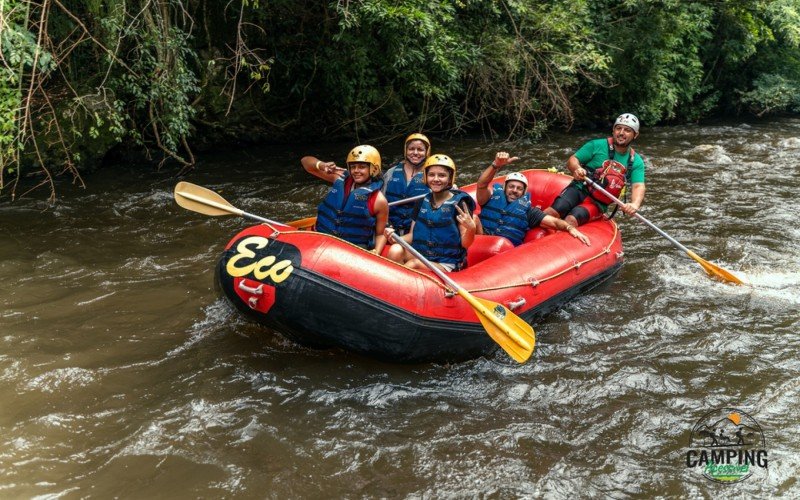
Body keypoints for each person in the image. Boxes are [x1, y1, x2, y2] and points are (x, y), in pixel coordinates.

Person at [544, 113, 647, 227]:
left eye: (627, 130)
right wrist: (577, 168)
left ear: (635, 135)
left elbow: (638, 186)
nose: (621, 133)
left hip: (598, 203)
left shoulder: (636, 161)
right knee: (552, 212)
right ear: (613, 130)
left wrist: (635, 204)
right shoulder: (596, 145)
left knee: (571, 220)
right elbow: (573, 160)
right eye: (618, 128)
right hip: (579, 189)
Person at [476, 152, 591, 246]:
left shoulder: (529, 212)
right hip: (480, 240)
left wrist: (570, 228)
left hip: (503, 249)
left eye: (519, 188)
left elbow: (554, 222)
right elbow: (482, 184)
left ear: (523, 192)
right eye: (511, 187)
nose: (515, 190)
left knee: (498, 243)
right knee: (473, 218)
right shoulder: (489, 198)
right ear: (504, 188)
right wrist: (495, 165)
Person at [385, 154, 476, 272]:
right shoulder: (422, 201)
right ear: (425, 177)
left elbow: (465, 244)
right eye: (431, 175)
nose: (436, 179)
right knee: (395, 250)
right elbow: (413, 235)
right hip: (422, 253)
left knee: (414, 264)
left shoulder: (460, 204)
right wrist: (395, 238)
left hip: (446, 261)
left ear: (450, 178)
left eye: (442, 175)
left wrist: (471, 229)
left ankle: (397, 286)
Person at [301, 145, 389, 254]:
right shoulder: (339, 177)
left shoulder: (379, 201)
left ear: (374, 169)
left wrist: (376, 252)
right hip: (322, 238)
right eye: (353, 167)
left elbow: (380, 234)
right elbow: (305, 162)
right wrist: (322, 165)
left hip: (351, 250)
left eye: (362, 167)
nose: (356, 171)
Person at [382, 133, 432, 234]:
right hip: (390, 228)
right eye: (411, 149)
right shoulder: (391, 173)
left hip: (417, 232)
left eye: (420, 149)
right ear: (406, 150)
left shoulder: (432, 176)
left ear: (427, 152)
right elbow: (380, 201)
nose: (415, 152)